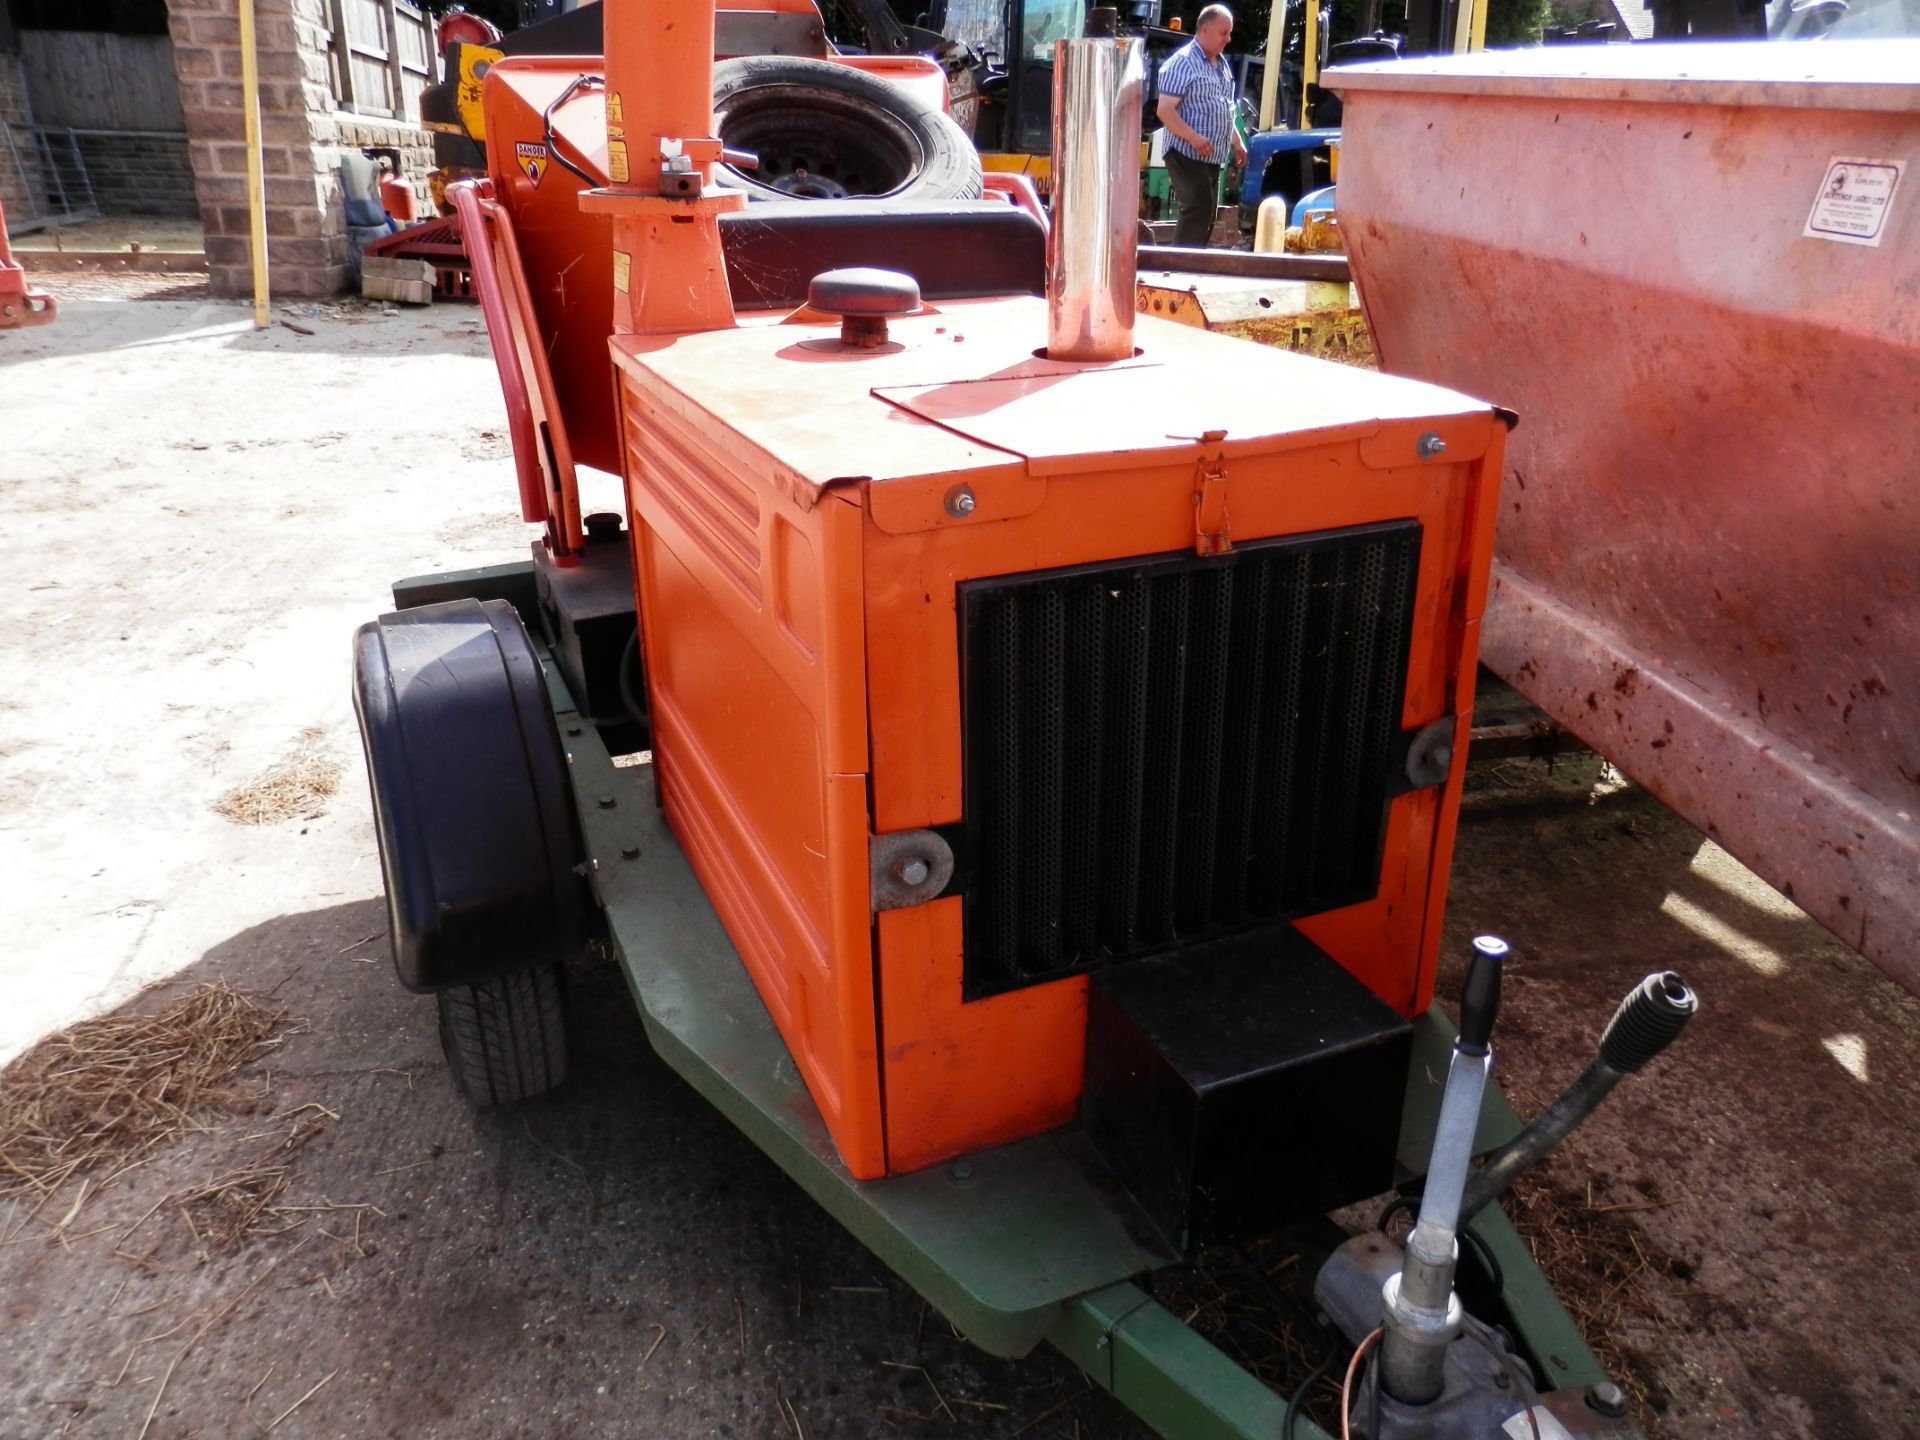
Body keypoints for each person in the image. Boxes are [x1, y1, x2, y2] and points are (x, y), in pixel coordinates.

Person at [1155, 5, 1247, 248]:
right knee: (1199, 207)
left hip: (1211, 156)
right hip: (1184, 151)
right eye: (1223, 33)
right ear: (1204, 29)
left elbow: (1225, 108)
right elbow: (1164, 110)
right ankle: (1178, 266)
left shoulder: (1222, 66)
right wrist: (1193, 137)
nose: (1228, 39)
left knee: (1207, 214)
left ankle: (1192, 263)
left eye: (1229, 33)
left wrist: (1236, 141)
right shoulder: (1182, 63)